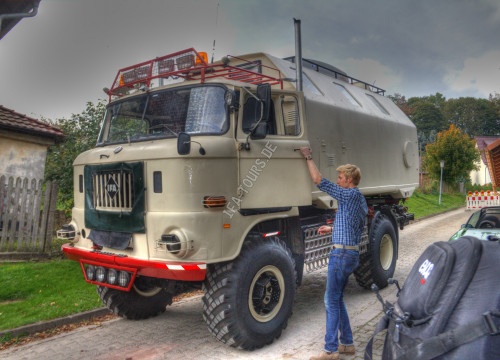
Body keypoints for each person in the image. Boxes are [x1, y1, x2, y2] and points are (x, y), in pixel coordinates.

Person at [300, 147, 368, 360]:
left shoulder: (347, 194)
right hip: (350, 254)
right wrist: (332, 229)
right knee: (337, 299)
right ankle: (347, 344)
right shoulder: (358, 198)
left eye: (340, 177)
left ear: (349, 179)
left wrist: (308, 156)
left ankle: (330, 350)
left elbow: (319, 180)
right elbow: (355, 226)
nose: (337, 181)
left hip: (341, 256)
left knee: (330, 300)